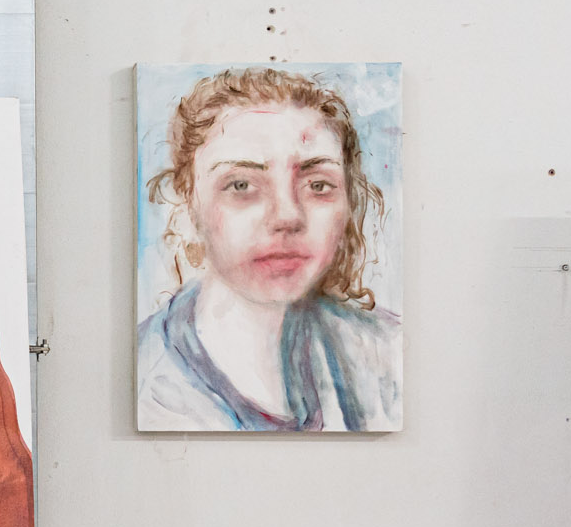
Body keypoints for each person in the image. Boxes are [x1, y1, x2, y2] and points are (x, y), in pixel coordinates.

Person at [136, 67, 401, 432]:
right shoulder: (146, 384)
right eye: (241, 185)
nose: (287, 217)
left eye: (318, 185)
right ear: (187, 206)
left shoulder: (388, 354)